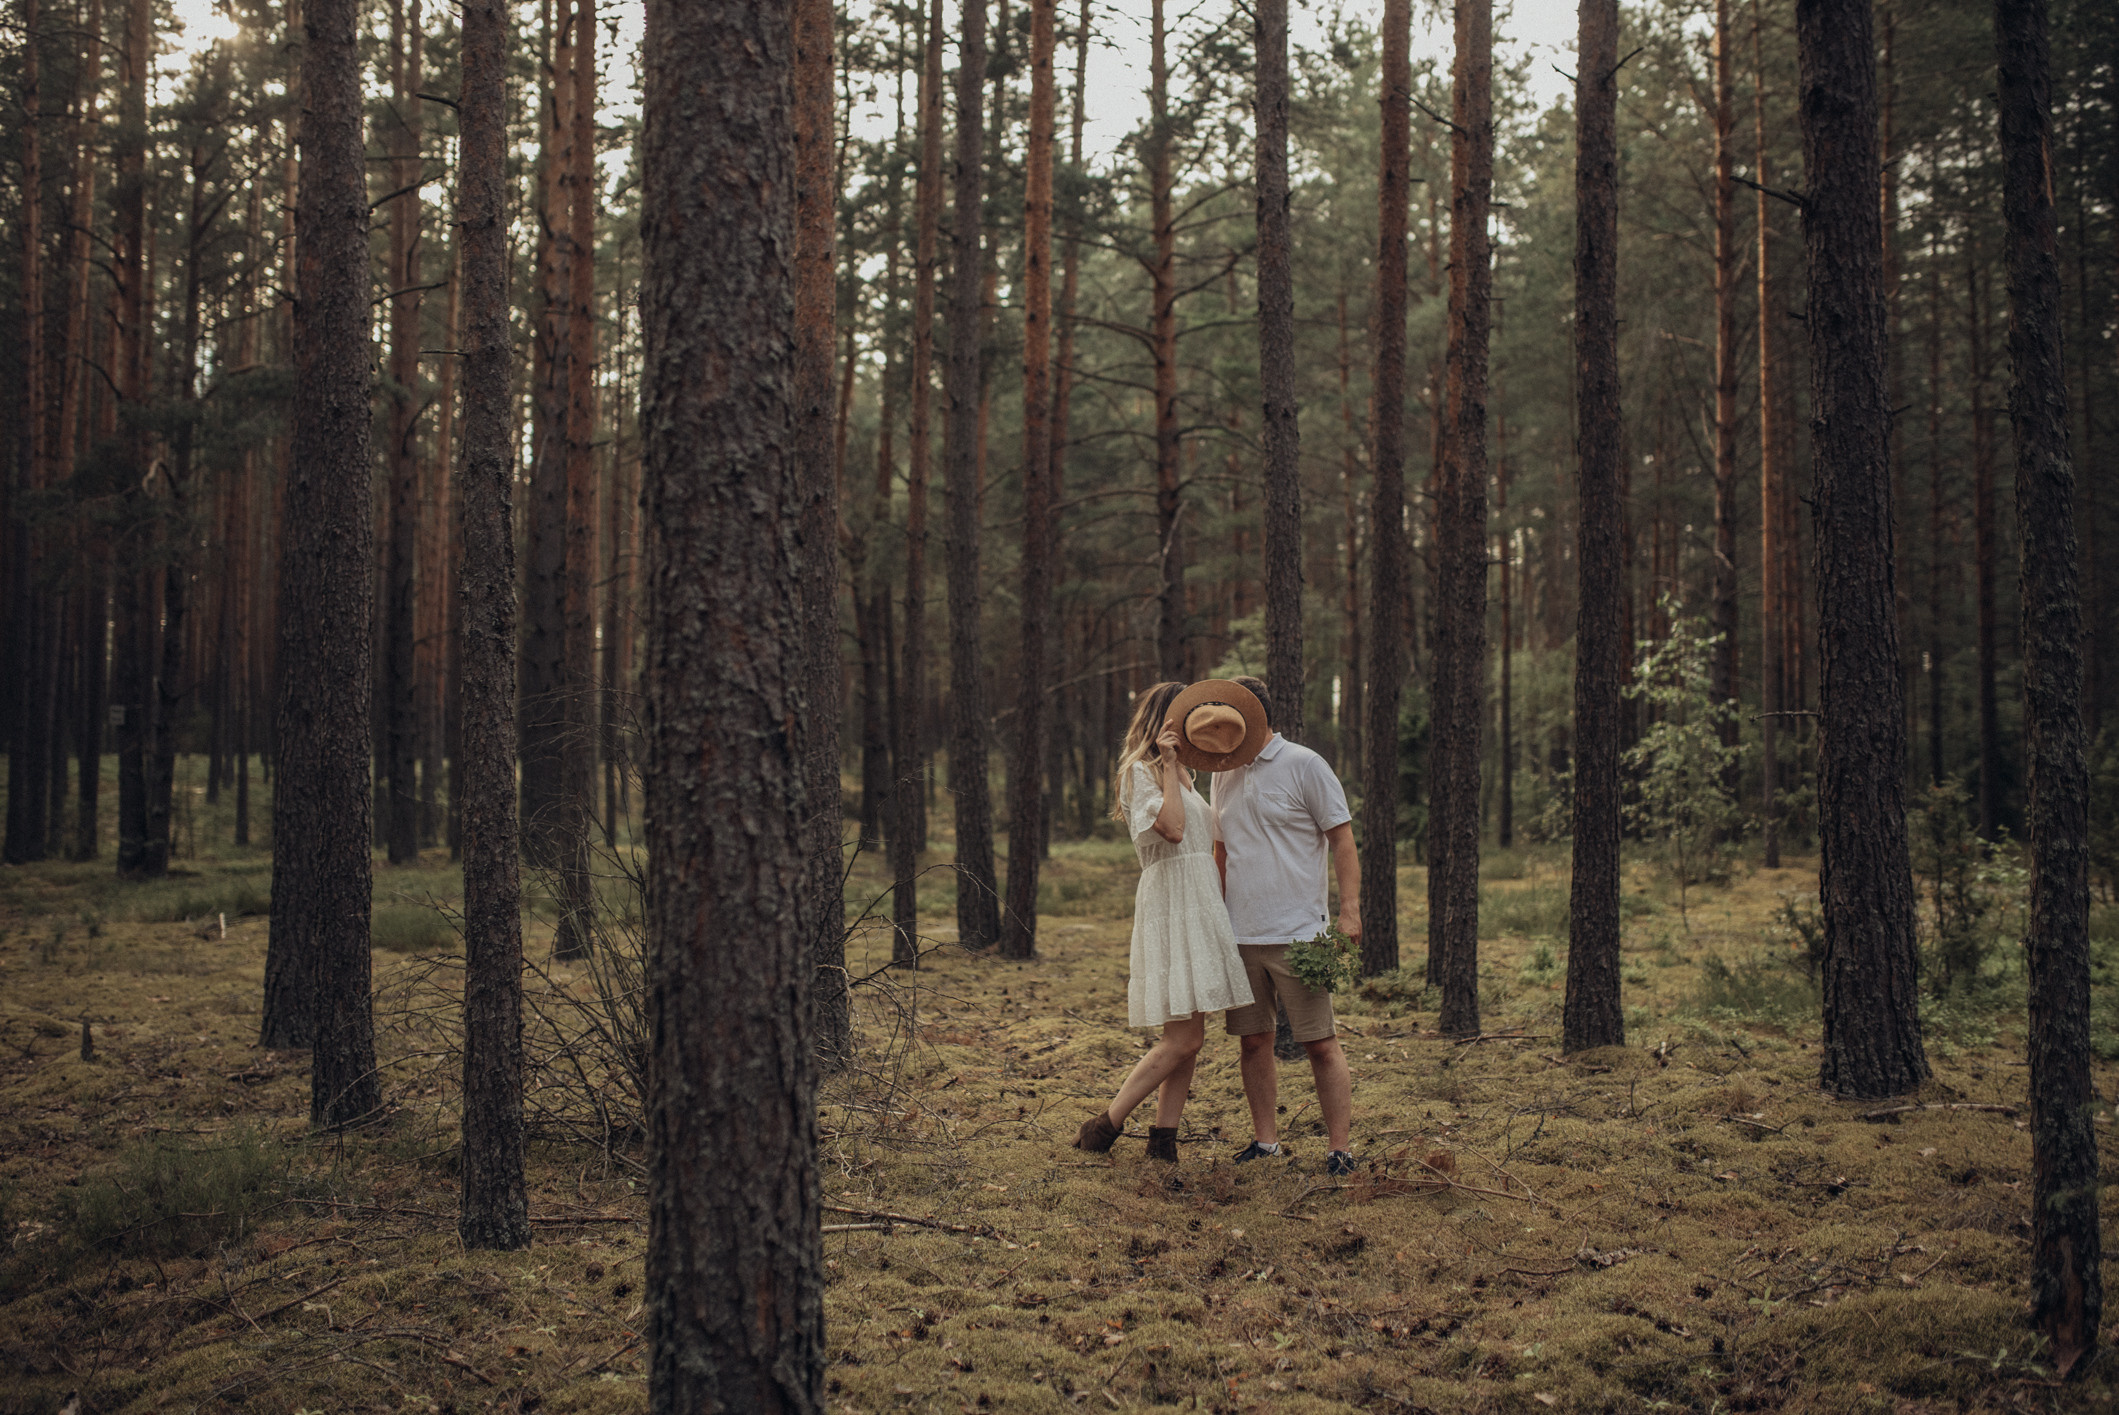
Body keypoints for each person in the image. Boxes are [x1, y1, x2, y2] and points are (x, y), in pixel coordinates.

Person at [1073, 681, 1256, 1163]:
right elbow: (1173, 831)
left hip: (1198, 902)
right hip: (1171, 903)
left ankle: (1163, 1141)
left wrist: (1181, 769)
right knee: (1183, 1038)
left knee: (1189, 1039)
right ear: (1165, 722)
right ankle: (1105, 1126)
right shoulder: (1141, 773)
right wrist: (1171, 766)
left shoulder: (1186, 776)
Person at [1208, 675, 1362, 1177]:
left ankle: (1339, 1149)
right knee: (1253, 1041)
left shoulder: (1305, 764)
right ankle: (1265, 1142)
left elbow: (1341, 838)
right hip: (1241, 934)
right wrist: (1214, 916)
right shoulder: (1220, 773)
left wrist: (1349, 911)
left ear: (1259, 716)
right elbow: (1221, 850)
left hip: (1300, 932)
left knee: (1319, 1042)